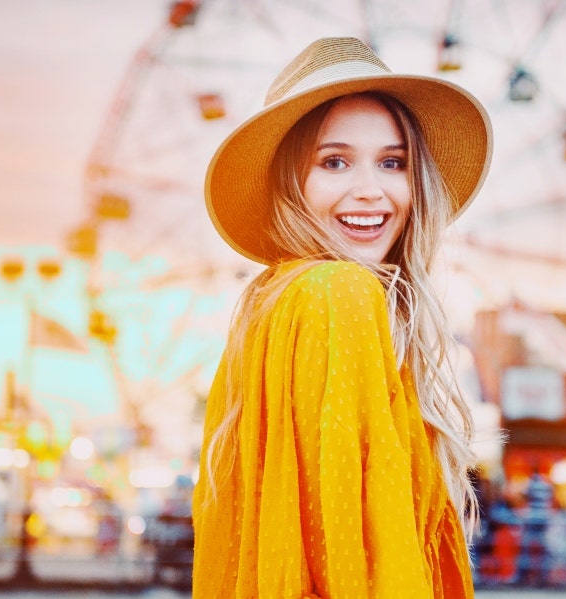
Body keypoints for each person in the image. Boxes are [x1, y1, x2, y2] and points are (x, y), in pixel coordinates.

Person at [192, 36, 492, 598]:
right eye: (334, 161)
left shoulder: (274, 303)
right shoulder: (338, 294)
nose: (370, 191)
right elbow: (364, 553)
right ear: (289, 180)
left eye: (392, 162)